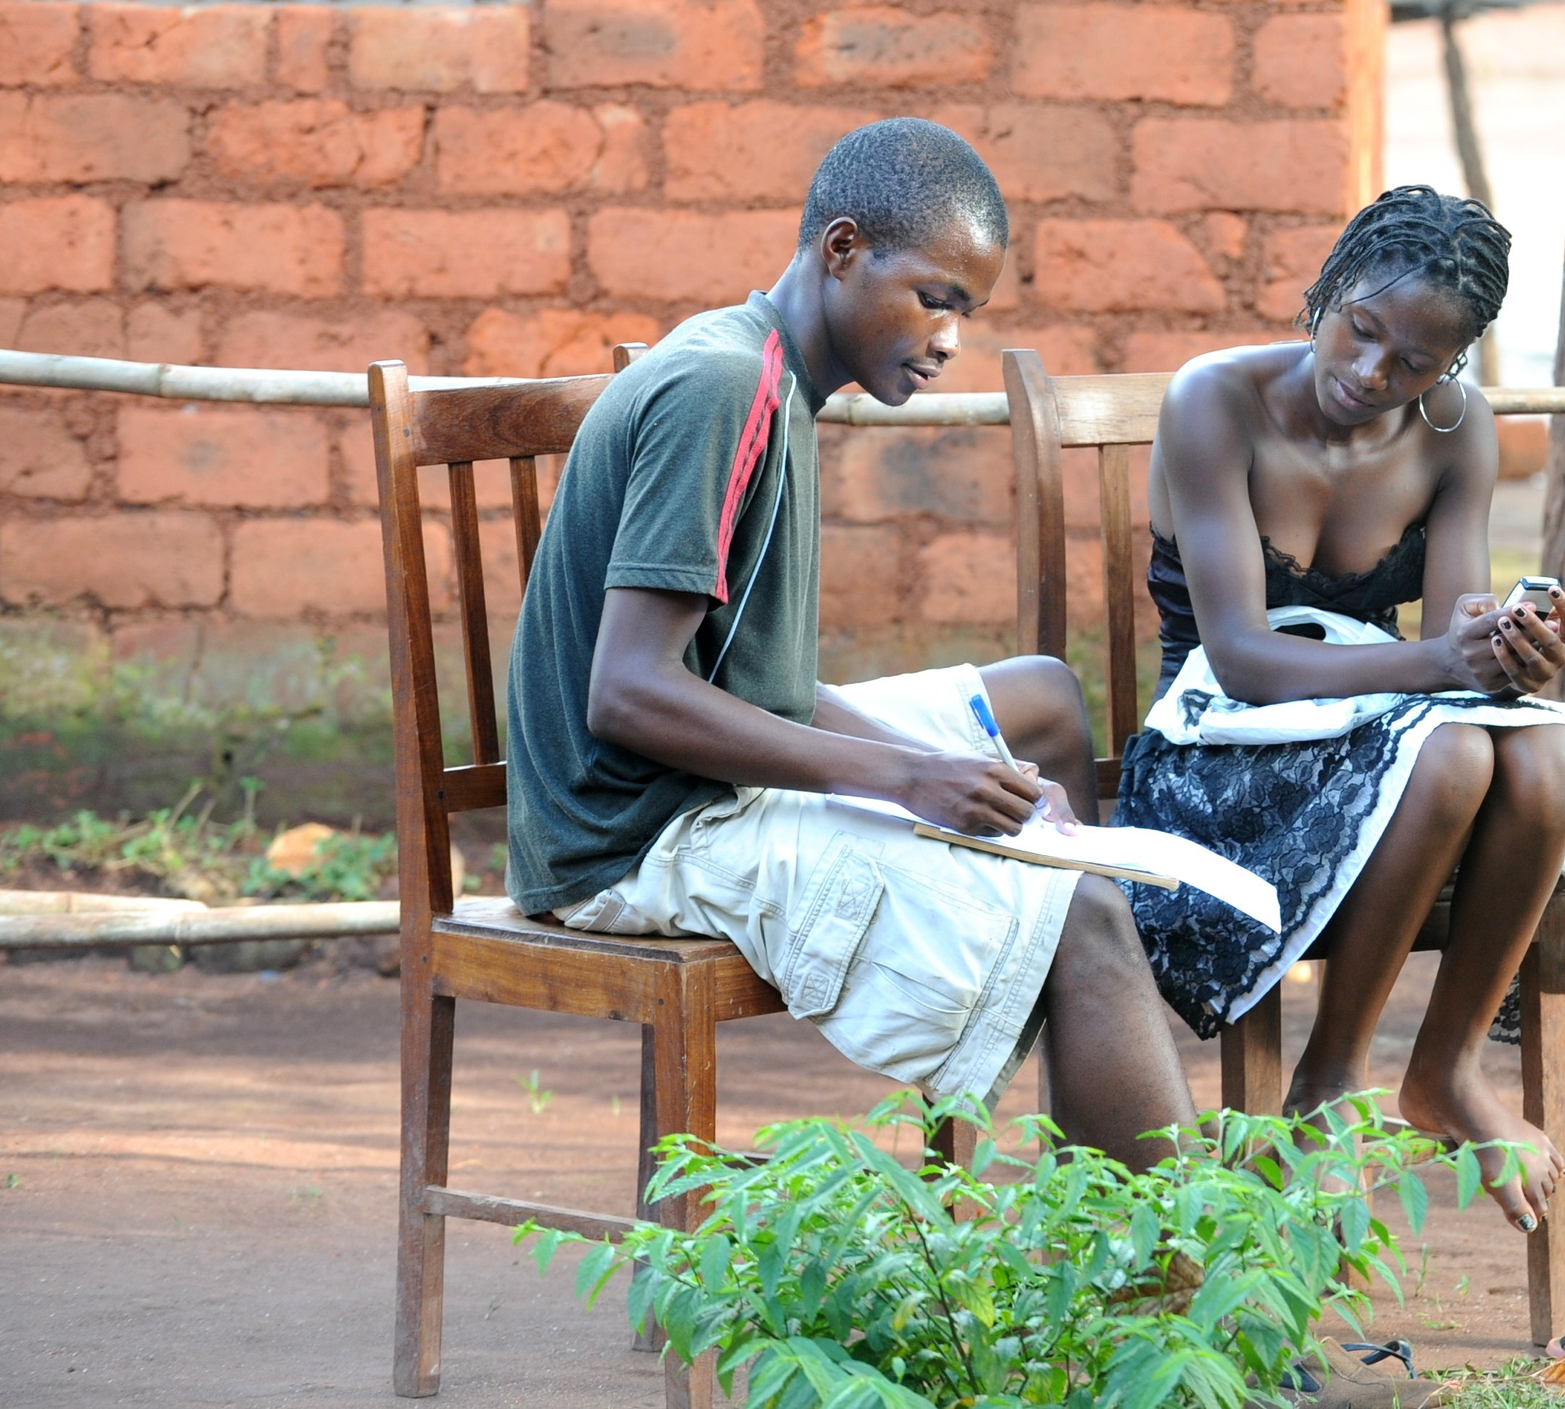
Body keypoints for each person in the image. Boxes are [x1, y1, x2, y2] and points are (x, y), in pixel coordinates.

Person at [503, 118, 1191, 1167]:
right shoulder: (723, 388)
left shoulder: (769, 375)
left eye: (966, 312)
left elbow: (753, 683)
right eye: (934, 298)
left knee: (1043, 700)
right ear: (842, 249)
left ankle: (1082, 1176)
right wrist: (910, 779)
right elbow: (630, 692)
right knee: (1084, 912)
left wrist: (939, 772)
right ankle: (1174, 1259)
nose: (950, 338)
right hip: (634, 834)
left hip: (682, 787)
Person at [1116, 185, 1565, 1232]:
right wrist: (1444, 663)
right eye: (1361, 329)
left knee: (1550, 755)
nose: (1373, 372)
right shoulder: (1215, 401)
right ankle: (1329, 1083)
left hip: (1373, 732)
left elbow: (1457, 639)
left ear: (1452, 365)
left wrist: (1509, 653)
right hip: (1214, 749)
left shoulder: (1456, 434)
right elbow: (1239, 657)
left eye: (1415, 362)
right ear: (1326, 291)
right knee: (1454, 755)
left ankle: (1444, 1069)